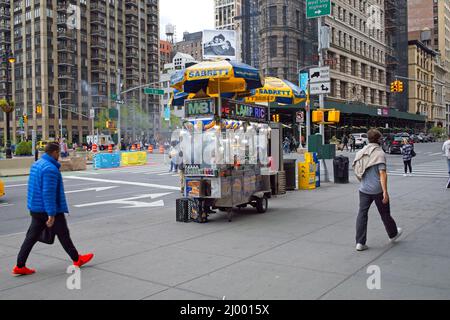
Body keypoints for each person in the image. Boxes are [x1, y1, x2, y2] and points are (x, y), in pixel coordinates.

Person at [12, 142, 94, 276]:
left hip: (35, 208)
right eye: (59, 153)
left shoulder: (36, 164)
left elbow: (32, 187)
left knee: (31, 237)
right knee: (63, 234)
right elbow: (48, 193)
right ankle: (77, 259)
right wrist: (51, 214)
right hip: (48, 209)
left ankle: (20, 265)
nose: (60, 156)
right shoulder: (50, 169)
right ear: (55, 152)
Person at [352, 129, 402, 252]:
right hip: (377, 190)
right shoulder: (379, 153)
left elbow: (357, 168)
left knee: (362, 214)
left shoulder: (361, 152)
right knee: (385, 213)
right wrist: (385, 191)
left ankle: (360, 242)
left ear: (368, 139)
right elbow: (382, 174)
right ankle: (393, 234)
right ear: (379, 139)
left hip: (363, 189)